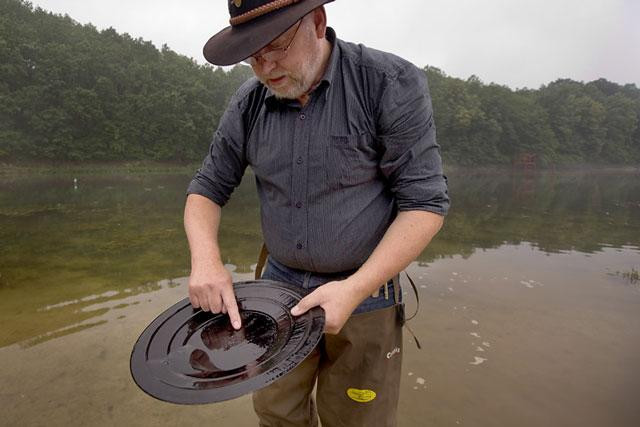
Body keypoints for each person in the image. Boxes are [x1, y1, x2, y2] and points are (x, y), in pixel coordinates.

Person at [184, 0, 449, 425]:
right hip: (277, 289)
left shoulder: (388, 83)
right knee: (275, 410)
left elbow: (425, 204)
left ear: (319, 22)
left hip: (366, 292)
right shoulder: (248, 103)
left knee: (357, 417)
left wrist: (356, 287)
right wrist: (206, 261)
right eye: (253, 54)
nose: (265, 66)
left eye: (275, 46)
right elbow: (206, 189)